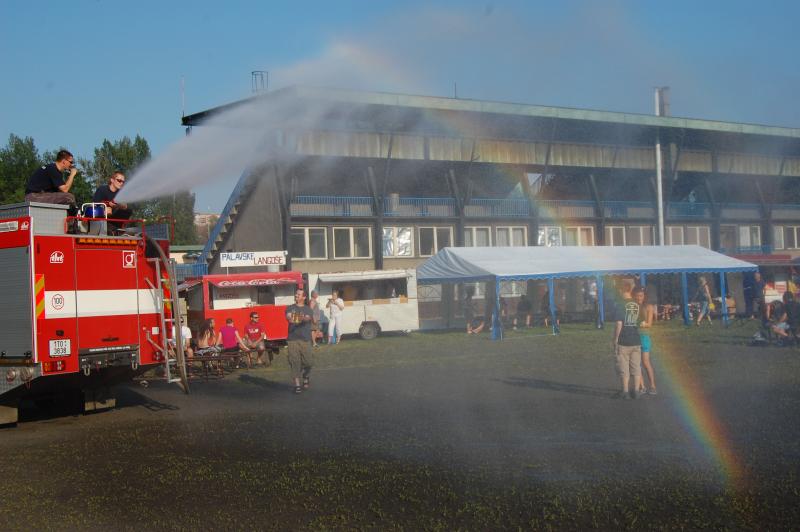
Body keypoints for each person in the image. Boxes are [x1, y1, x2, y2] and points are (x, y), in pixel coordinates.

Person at [612, 280, 642, 399]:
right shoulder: (637, 304)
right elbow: (640, 322)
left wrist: (615, 339)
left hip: (624, 340)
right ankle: (636, 391)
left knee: (624, 367)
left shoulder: (620, 304)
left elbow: (619, 323)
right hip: (636, 340)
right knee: (636, 366)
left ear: (622, 290)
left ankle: (625, 391)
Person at [286, 288, 314, 394]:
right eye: (296, 294)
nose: (296, 295)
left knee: (309, 362)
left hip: (305, 339)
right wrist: (300, 317)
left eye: (299, 294)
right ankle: (297, 385)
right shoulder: (290, 307)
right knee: (294, 362)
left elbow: (307, 318)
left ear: (304, 297)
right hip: (292, 339)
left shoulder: (308, 309)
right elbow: (289, 318)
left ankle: (306, 376)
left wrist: (299, 318)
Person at [634, 289, 657, 395]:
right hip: (634, 337)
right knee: (636, 364)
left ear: (644, 296)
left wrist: (640, 324)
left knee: (646, 362)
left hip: (644, 336)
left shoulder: (649, 307)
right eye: (637, 296)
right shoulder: (633, 306)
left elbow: (649, 324)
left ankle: (653, 386)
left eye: (641, 296)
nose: (639, 298)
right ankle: (642, 386)